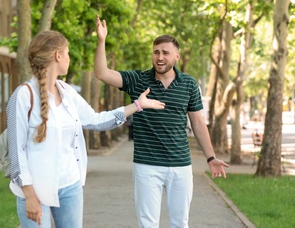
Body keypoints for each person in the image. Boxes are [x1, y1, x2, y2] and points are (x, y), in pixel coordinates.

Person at [6, 30, 165, 228]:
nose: (69, 58)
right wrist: (28, 194)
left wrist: (137, 106)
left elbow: (95, 121)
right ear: (58, 55)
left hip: (70, 185)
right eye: (68, 53)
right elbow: (16, 151)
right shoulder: (22, 96)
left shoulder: (67, 92)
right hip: (35, 189)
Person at [94, 15, 230, 228]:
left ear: (176, 56)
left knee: (180, 223)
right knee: (147, 224)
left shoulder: (189, 84)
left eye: (165, 53)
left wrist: (211, 157)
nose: (160, 57)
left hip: (181, 166)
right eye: (156, 52)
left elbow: (197, 123)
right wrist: (101, 41)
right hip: (146, 165)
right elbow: (101, 73)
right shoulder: (138, 79)